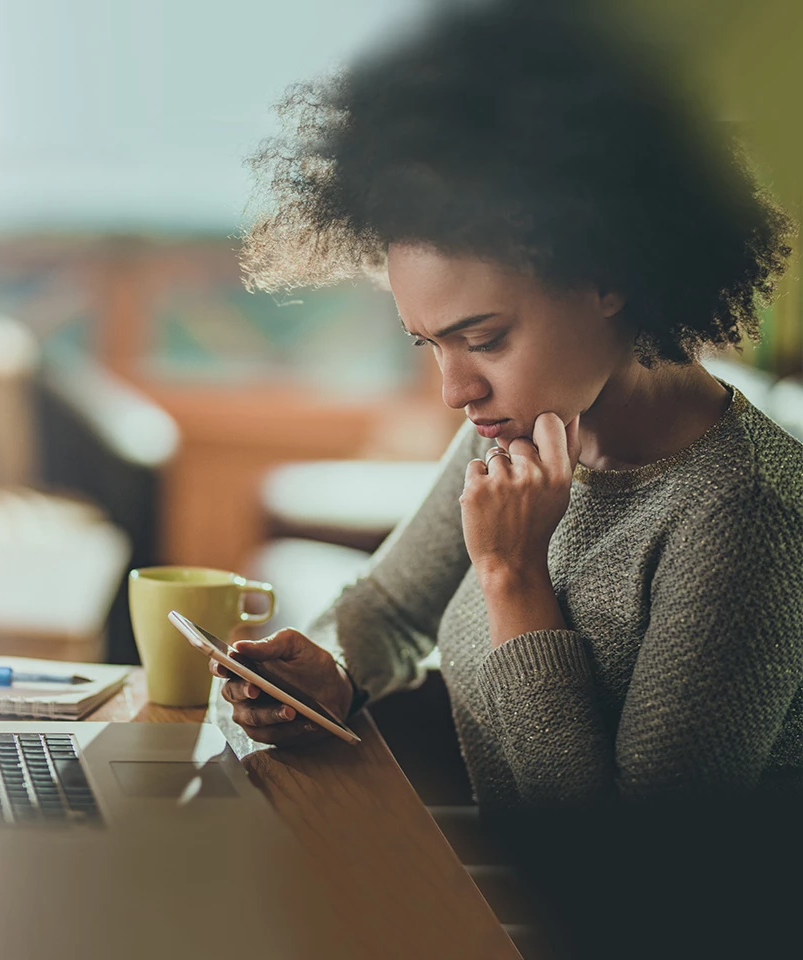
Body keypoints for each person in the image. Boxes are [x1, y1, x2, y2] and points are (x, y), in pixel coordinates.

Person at [219, 0, 803, 815]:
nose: (456, 392)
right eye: (430, 345)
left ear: (610, 275)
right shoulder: (529, 426)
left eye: (484, 339)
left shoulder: (746, 515)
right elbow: (387, 609)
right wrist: (334, 676)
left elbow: (632, 873)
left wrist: (515, 577)